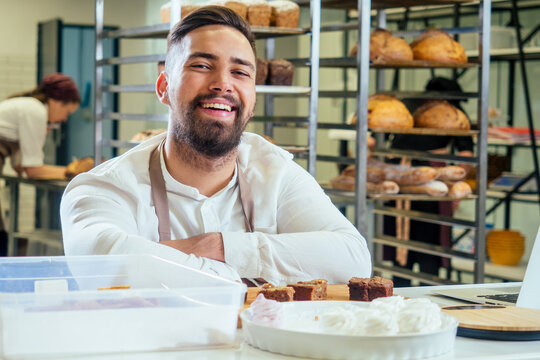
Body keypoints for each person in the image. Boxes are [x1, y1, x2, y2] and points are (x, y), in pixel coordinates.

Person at [60, 6, 371, 285]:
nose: (223, 83)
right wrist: (245, 270)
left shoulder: (274, 173)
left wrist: (217, 246)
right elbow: (109, 266)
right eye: (202, 66)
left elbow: (353, 259)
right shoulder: (103, 188)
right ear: (164, 88)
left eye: (240, 72)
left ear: (253, 99)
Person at [383, 77, 474, 286]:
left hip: (399, 179)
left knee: (401, 245)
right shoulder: (453, 114)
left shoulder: (406, 109)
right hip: (432, 182)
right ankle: (427, 297)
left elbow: (375, 140)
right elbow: (466, 157)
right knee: (429, 247)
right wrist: (454, 186)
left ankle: (400, 296)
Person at [0, 73, 80, 255]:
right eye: (67, 112)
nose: (64, 119)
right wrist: (74, 172)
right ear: (58, 101)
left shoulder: (28, 105)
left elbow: (20, 166)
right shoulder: (36, 110)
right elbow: (33, 170)